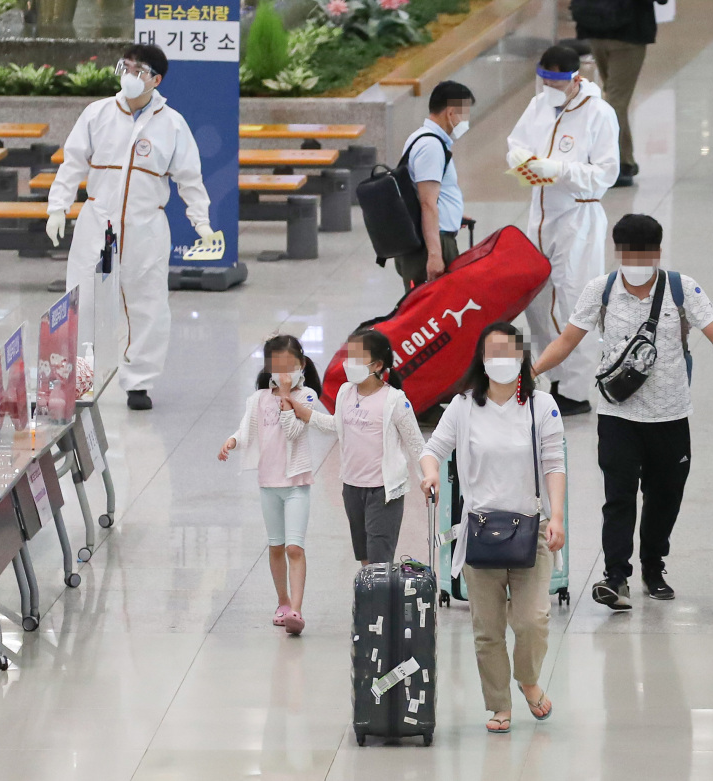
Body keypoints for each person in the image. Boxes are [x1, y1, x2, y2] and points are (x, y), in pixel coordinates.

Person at [532, 214, 713, 610]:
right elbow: (567, 339)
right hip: (618, 417)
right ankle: (615, 576)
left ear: (657, 252)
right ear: (618, 253)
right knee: (619, 496)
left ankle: (653, 565)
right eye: (628, 252)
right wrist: (530, 371)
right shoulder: (602, 290)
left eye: (643, 253)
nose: (635, 260)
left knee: (665, 496)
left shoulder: (682, 288)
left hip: (670, 415)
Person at [46, 44, 216, 412]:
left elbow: (190, 178)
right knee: (81, 300)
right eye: (126, 66)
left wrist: (200, 221)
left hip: (146, 226)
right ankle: (80, 381)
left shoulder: (172, 124)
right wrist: (57, 207)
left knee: (147, 304)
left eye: (139, 70)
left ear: (156, 79)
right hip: (96, 220)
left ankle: (138, 381)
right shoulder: (97, 114)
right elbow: (72, 162)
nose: (130, 75)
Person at [422, 322, 566, 734]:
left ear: (522, 356)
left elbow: (554, 464)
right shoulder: (464, 405)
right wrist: (430, 473)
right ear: (481, 360)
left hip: (531, 529)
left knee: (532, 620)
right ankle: (499, 705)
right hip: (479, 531)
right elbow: (433, 449)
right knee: (487, 630)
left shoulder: (543, 406)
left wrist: (556, 517)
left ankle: (529, 679)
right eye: (493, 351)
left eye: (509, 350)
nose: (501, 358)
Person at [507, 44, 621, 417]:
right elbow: (517, 143)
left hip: (577, 218)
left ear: (575, 79)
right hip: (539, 216)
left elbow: (605, 175)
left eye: (556, 82)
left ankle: (575, 389)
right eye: (544, 81)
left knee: (574, 301)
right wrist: (524, 163)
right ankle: (551, 374)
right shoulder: (539, 104)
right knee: (537, 299)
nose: (549, 89)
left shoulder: (599, 114)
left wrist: (558, 170)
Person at [291, 330, 429, 565]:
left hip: (383, 491)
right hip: (352, 487)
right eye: (349, 356)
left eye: (357, 357)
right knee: (365, 558)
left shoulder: (395, 401)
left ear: (377, 364)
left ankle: (379, 601)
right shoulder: (345, 391)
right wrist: (307, 415)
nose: (349, 364)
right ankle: (370, 600)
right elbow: (338, 425)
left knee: (379, 560)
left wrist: (427, 477)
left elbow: (417, 444)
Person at [218, 335, 322, 635]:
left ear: (301, 365)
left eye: (291, 367)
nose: (284, 374)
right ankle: (282, 602)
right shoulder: (258, 399)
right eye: (278, 368)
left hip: (296, 484)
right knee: (275, 546)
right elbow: (247, 428)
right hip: (268, 484)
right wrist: (233, 441)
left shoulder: (307, 397)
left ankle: (297, 611)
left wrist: (288, 397)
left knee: (294, 547)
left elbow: (292, 431)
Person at [571, 0, 669, 187]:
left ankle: (625, 161)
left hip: (594, 28)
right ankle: (608, 164)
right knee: (617, 100)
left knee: (614, 96)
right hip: (628, 32)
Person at [394, 80, 475, 293]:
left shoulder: (419, 138)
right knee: (435, 313)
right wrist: (435, 255)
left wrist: (453, 213)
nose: (465, 121)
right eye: (464, 114)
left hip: (429, 238)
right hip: (433, 243)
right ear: (450, 113)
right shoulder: (431, 146)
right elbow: (428, 202)